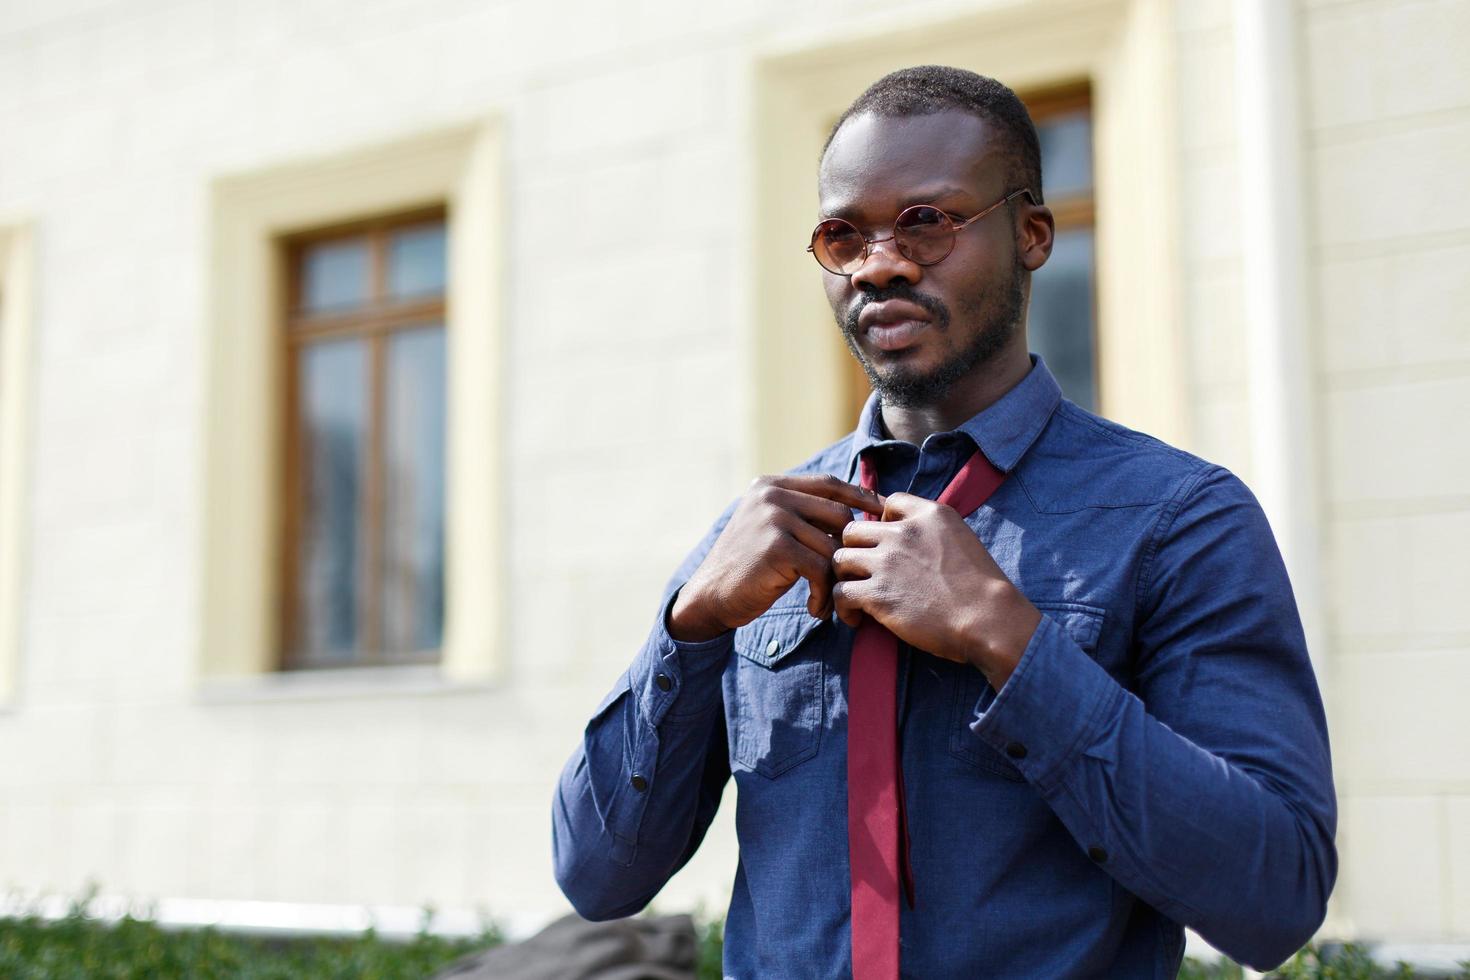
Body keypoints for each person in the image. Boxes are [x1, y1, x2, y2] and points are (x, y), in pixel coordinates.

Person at [551, 65, 1336, 978]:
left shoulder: (1178, 521)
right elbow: (596, 878)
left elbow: (1276, 899)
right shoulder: (760, 535)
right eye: (843, 235)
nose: (879, 262)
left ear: (1032, 233)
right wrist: (688, 627)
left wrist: (1008, 640)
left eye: (927, 221)